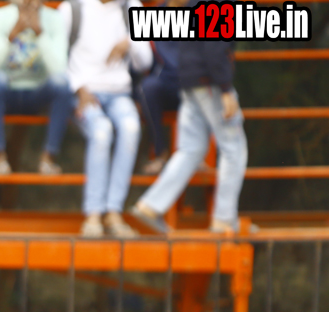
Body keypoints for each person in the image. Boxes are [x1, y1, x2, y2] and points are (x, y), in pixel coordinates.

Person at [131, 34, 246, 234]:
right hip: (209, 81)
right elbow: (215, 45)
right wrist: (226, 88)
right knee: (233, 148)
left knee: (190, 149)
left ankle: (150, 206)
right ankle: (224, 220)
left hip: (188, 80)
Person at [61, 0, 152, 237]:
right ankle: (93, 214)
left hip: (119, 92)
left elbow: (145, 62)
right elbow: (57, 58)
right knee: (101, 132)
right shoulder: (72, 8)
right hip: (83, 93)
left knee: (131, 127)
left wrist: (130, 42)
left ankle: (113, 212)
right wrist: (78, 88)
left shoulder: (131, 7)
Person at [0, 0, 71, 175]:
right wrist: (12, 34)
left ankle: (48, 159)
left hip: (38, 93)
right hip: (7, 90)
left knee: (62, 84)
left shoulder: (55, 18)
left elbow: (59, 69)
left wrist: (40, 33)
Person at [133, 2, 183, 175]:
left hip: (192, 82)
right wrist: (134, 96)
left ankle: (193, 157)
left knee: (200, 88)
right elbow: (139, 60)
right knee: (148, 88)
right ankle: (160, 154)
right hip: (164, 82)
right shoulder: (154, 16)